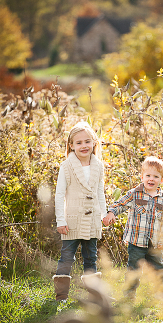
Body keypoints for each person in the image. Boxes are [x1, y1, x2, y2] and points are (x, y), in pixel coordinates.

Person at [53, 121, 108, 301]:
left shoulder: (98, 166)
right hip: (72, 221)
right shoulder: (66, 167)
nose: (83, 146)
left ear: (94, 143)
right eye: (78, 143)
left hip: (92, 220)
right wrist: (60, 221)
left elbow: (100, 192)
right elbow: (60, 194)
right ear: (71, 145)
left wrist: (104, 214)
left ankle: (94, 294)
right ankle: (61, 295)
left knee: (91, 257)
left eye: (87, 141)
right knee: (67, 257)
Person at [103, 156, 163, 294]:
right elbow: (121, 204)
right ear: (142, 177)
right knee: (133, 268)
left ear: (162, 180)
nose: (151, 179)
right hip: (136, 242)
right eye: (148, 175)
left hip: (155, 243)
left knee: (159, 268)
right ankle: (129, 294)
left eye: (156, 176)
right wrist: (111, 213)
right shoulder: (135, 194)